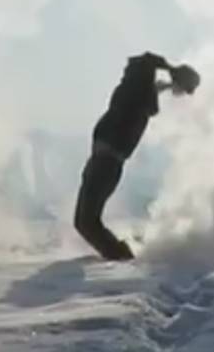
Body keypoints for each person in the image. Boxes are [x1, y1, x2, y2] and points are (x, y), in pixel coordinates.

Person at [73, 51, 199, 261]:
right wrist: (171, 79)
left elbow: (146, 60)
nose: (126, 68)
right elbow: (150, 75)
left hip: (105, 163)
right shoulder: (141, 91)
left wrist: (173, 72)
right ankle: (120, 257)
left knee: (86, 222)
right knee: (86, 222)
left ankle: (121, 258)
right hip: (104, 162)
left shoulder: (136, 86)